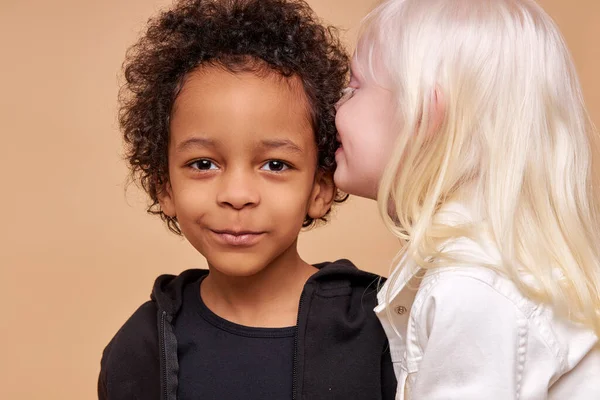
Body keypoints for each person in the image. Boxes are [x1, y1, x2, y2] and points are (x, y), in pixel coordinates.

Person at [98, 0, 396, 399]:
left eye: (275, 164)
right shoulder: (141, 348)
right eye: (203, 163)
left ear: (320, 188)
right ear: (164, 186)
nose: (237, 196)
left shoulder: (384, 324)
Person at [334, 0, 600, 398]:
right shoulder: (496, 266)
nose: (337, 105)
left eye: (354, 87)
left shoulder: (472, 289)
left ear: (423, 113)